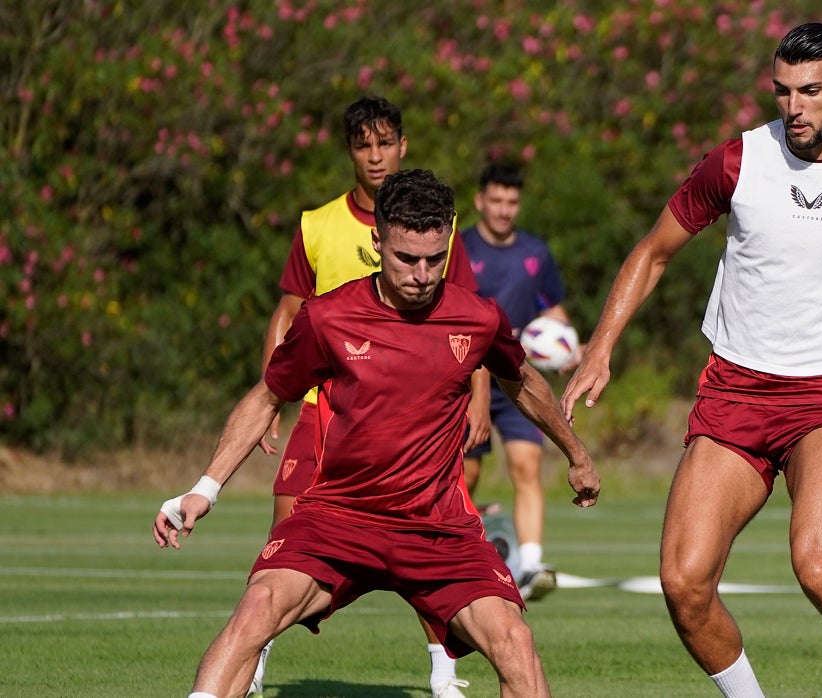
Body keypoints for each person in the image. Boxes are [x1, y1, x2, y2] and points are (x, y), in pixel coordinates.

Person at [560, 23, 822, 698]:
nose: (794, 107)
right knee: (684, 582)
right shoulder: (738, 162)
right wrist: (601, 347)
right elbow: (653, 252)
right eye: (782, 91)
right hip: (735, 392)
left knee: (820, 566)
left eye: (811, 91)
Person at [153, 168, 600, 698]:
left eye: (435, 259)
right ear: (378, 241)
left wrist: (576, 454)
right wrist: (206, 488)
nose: (421, 274)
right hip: (340, 517)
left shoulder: (478, 318)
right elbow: (268, 396)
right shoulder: (327, 318)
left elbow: (522, 383)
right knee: (257, 610)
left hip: (437, 527)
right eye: (406, 258)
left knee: (514, 642)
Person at [256, 95, 491, 698]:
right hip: (322, 408)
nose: (375, 155)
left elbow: (471, 322)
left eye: (385, 143)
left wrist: (481, 400)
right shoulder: (317, 223)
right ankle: (253, 653)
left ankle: (442, 667)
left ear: (403, 146)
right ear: (350, 152)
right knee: (287, 534)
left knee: (425, 538)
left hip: (413, 418)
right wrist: (269, 399)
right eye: (364, 145)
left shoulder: (438, 227)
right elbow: (287, 314)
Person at [460, 163, 577, 601]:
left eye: (512, 202)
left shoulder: (536, 252)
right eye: (496, 201)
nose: (504, 210)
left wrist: (570, 347)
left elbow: (553, 313)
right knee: (464, 477)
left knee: (527, 467)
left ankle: (529, 568)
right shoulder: (460, 249)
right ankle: (469, 551)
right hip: (469, 379)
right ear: (480, 201)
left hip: (517, 379)